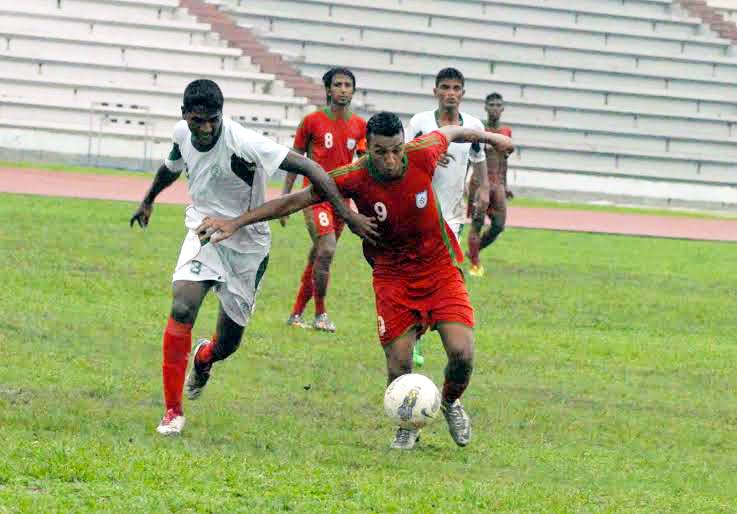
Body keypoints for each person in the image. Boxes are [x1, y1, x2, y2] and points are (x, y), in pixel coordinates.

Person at [195, 111, 513, 450]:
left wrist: (494, 139)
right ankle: (408, 424)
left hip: (439, 269)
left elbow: (453, 131)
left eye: (395, 150)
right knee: (399, 363)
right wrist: (237, 222)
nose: (390, 160)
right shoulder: (353, 176)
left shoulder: (423, 151)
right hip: (392, 277)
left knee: (462, 354)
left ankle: (449, 402)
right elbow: (295, 200)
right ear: (367, 149)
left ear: (404, 145)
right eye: (380, 152)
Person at [129, 79, 377, 436]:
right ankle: (173, 411)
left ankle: (204, 358)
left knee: (228, 343)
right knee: (183, 305)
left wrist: (348, 215)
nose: (206, 127)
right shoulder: (182, 133)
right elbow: (172, 165)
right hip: (204, 231)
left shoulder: (244, 142)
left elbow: (313, 170)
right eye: (198, 120)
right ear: (185, 116)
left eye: (213, 119)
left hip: (248, 244)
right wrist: (148, 199)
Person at [405, 67, 489, 367]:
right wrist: (425, 155)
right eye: (445, 87)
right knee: (420, 276)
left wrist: (484, 191)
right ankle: (417, 334)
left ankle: (426, 333)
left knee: (442, 273)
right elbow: (401, 157)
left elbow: (479, 161)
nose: (450, 93)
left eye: (456, 88)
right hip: (418, 211)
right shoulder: (421, 123)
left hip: (451, 216)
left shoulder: (474, 126)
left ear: (463, 93)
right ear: (435, 91)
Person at [279, 67, 367, 332]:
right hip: (314, 197)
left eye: (347, 85)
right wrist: (285, 199)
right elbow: (295, 161)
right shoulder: (311, 121)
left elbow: (363, 164)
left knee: (318, 255)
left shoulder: (361, 126)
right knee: (327, 249)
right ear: (328, 90)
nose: (343, 89)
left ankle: (296, 314)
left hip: (342, 201)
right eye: (338, 84)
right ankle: (321, 315)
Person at [467, 93, 514, 277]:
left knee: (498, 226)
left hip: (499, 184)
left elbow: (505, 160)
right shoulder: (478, 130)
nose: (494, 108)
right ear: (485, 107)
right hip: (480, 183)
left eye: (498, 105)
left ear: (502, 108)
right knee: (477, 223)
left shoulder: (506, 133)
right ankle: (475, 265)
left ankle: (473, 252)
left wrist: (506, 184)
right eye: (491, 105)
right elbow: (470, 158)